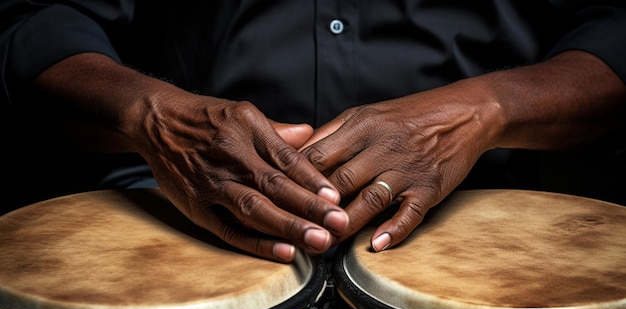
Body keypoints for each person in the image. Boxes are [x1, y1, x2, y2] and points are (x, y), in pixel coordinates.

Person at [0, 1, 625, 263]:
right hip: (180, 210)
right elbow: (34, 19)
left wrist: (483, 109)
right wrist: (153, 115)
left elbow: (613, 29)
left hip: (471, 217)